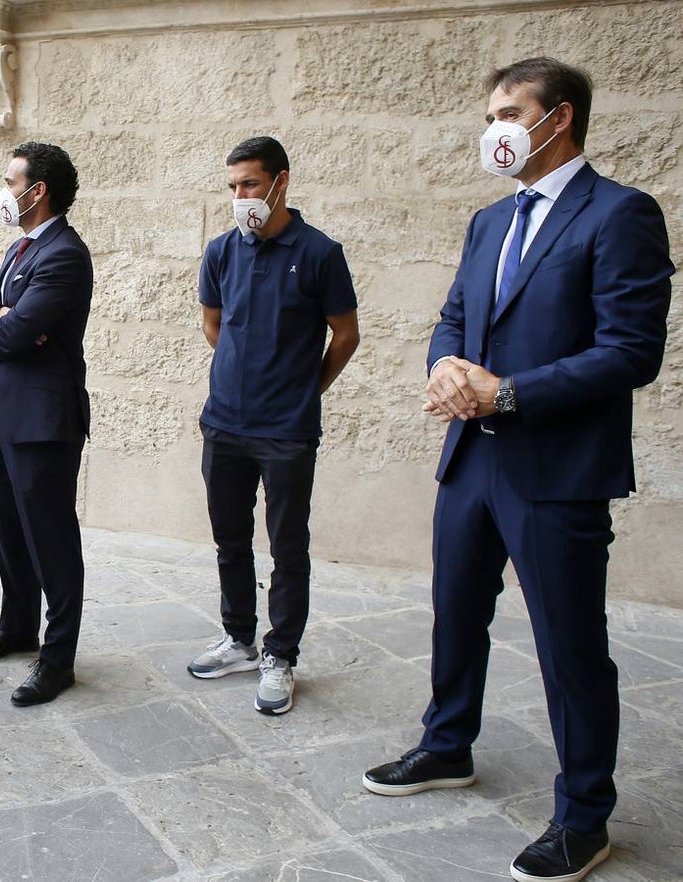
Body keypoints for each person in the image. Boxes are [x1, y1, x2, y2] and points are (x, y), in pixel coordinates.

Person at [362, 58, 673, 882]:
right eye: (491, 113)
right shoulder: (488, 223)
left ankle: (583, 819)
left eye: (508, 111)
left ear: (558, 117)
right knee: (454, 612)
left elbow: (631, 352)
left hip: (559, 469)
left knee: (571, 646)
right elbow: (455, 319)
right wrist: (444, 371)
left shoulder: (621, 215)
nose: (494, 127)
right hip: (472, 461)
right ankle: (446, 744)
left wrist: (509, 393)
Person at [187, 136, 359, 716]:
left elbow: (346, 334)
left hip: (287, 431)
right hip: (225, 424)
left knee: (288, 545)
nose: (240, 196)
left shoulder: (319, 252)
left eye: (250, 185)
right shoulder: (220, 251)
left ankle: (280, 655)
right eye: (233, 186)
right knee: (229, 539)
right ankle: (239, 639)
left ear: (280, 182)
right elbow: (214, 326)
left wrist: (305, 389)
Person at [0, 142, 93, 706]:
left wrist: (5, 323)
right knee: (10, 532)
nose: (3, 188)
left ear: (36, 190)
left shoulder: (63, 253)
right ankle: (18, 625)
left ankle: (57, 658)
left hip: (44, 421)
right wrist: (0, 313)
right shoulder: (23, 248)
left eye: (9, 178)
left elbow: (7, 342)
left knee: (51, 539)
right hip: (8, 421)